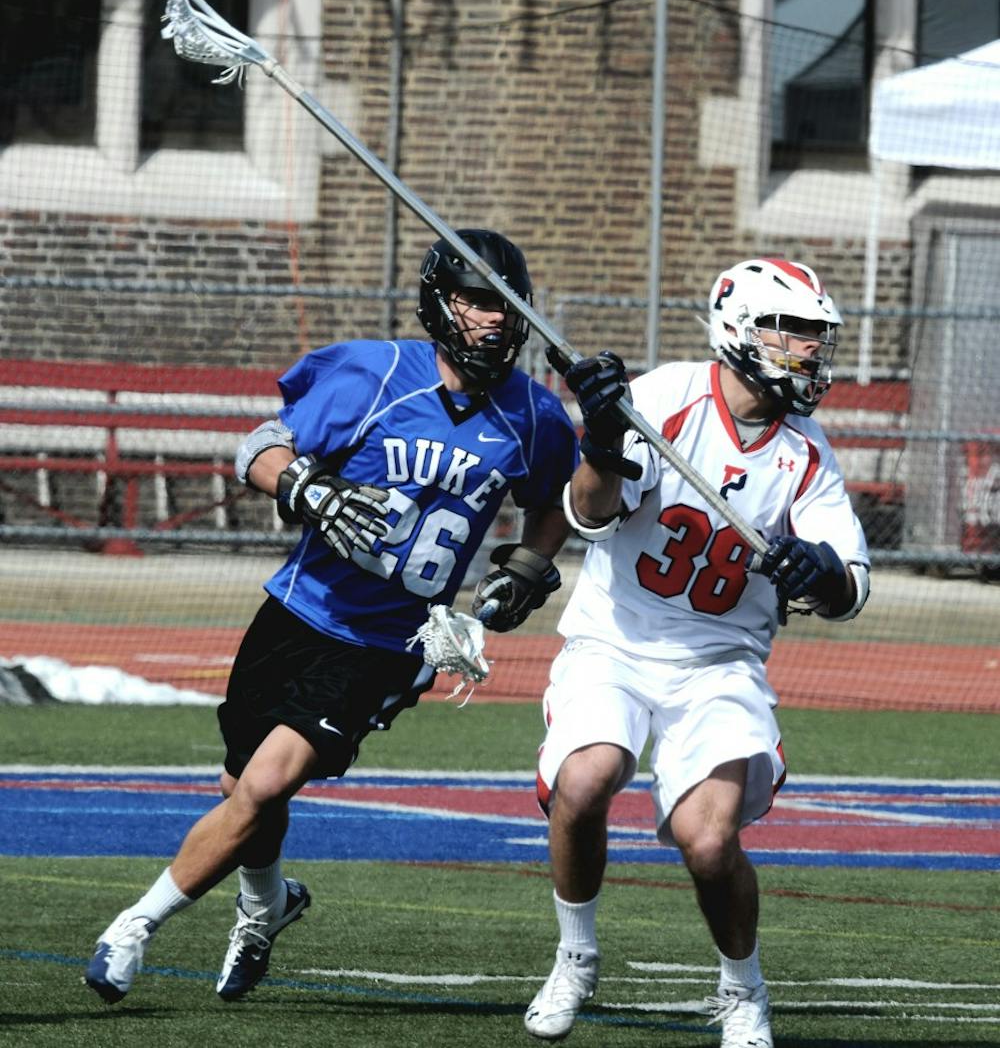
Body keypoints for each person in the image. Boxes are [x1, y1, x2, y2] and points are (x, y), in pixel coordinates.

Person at [84, 229, 577, 1005]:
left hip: (391, 641)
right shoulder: (375, 374)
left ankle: (132, 929)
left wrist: (525, 564)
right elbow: (259, 447)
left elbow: (556, 503)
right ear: (441, 303)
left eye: (508, 305)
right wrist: (304, 487)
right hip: (297, 610)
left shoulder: (535, 415)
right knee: (242, 785)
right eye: (481, 301)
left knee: (267, 781)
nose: (496, 320)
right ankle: (267, 905)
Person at [524, 258, 870, 1047]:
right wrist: (602, 443)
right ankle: (575, 955)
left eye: (818, 335)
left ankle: (743, 990)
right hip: (615, 637)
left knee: (709, 841)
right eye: (794, 330)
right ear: (738, 328)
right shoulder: (664, 400)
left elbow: (849, 588)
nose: (810, 350)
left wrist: (816, 570)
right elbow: (591, 517)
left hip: (720, 659)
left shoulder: (807, 456)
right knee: (587, 777)